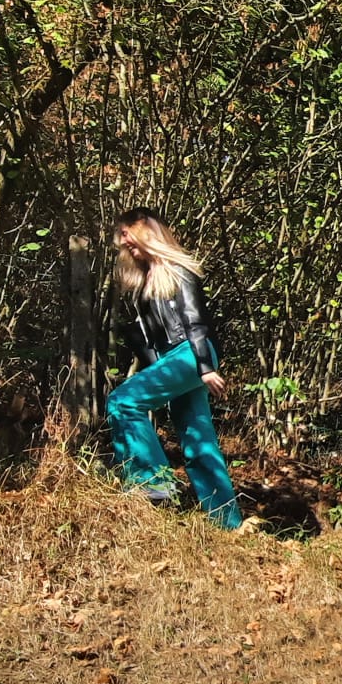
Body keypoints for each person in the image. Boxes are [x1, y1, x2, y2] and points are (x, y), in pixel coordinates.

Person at [105, 211, 241, 529]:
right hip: (172, 360)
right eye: (122, 238)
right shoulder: (143, 281)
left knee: (122, 402)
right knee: (197, 437)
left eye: (128, 234)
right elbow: (147, 340)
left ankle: (152, 484)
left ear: (148, 231)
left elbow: (195, 320)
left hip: (191, 354)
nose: (125, 242)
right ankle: (227, 523)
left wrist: (205, 367)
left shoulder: (177, 269)